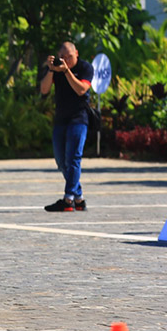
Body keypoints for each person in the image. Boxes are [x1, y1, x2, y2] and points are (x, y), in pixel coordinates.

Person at [39, 41, 93, 212]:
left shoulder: (85, 68)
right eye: (63, 57)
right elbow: (44, 90)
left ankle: (68, 199)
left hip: (79, 119)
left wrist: (67, 71)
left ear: (76, 53)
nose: (66, 60)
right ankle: (79, 198)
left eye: (69, 56)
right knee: (61, 161)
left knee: (74, 158)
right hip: (61, 119)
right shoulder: (56, 69)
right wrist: (50, 69)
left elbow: (81, 89)